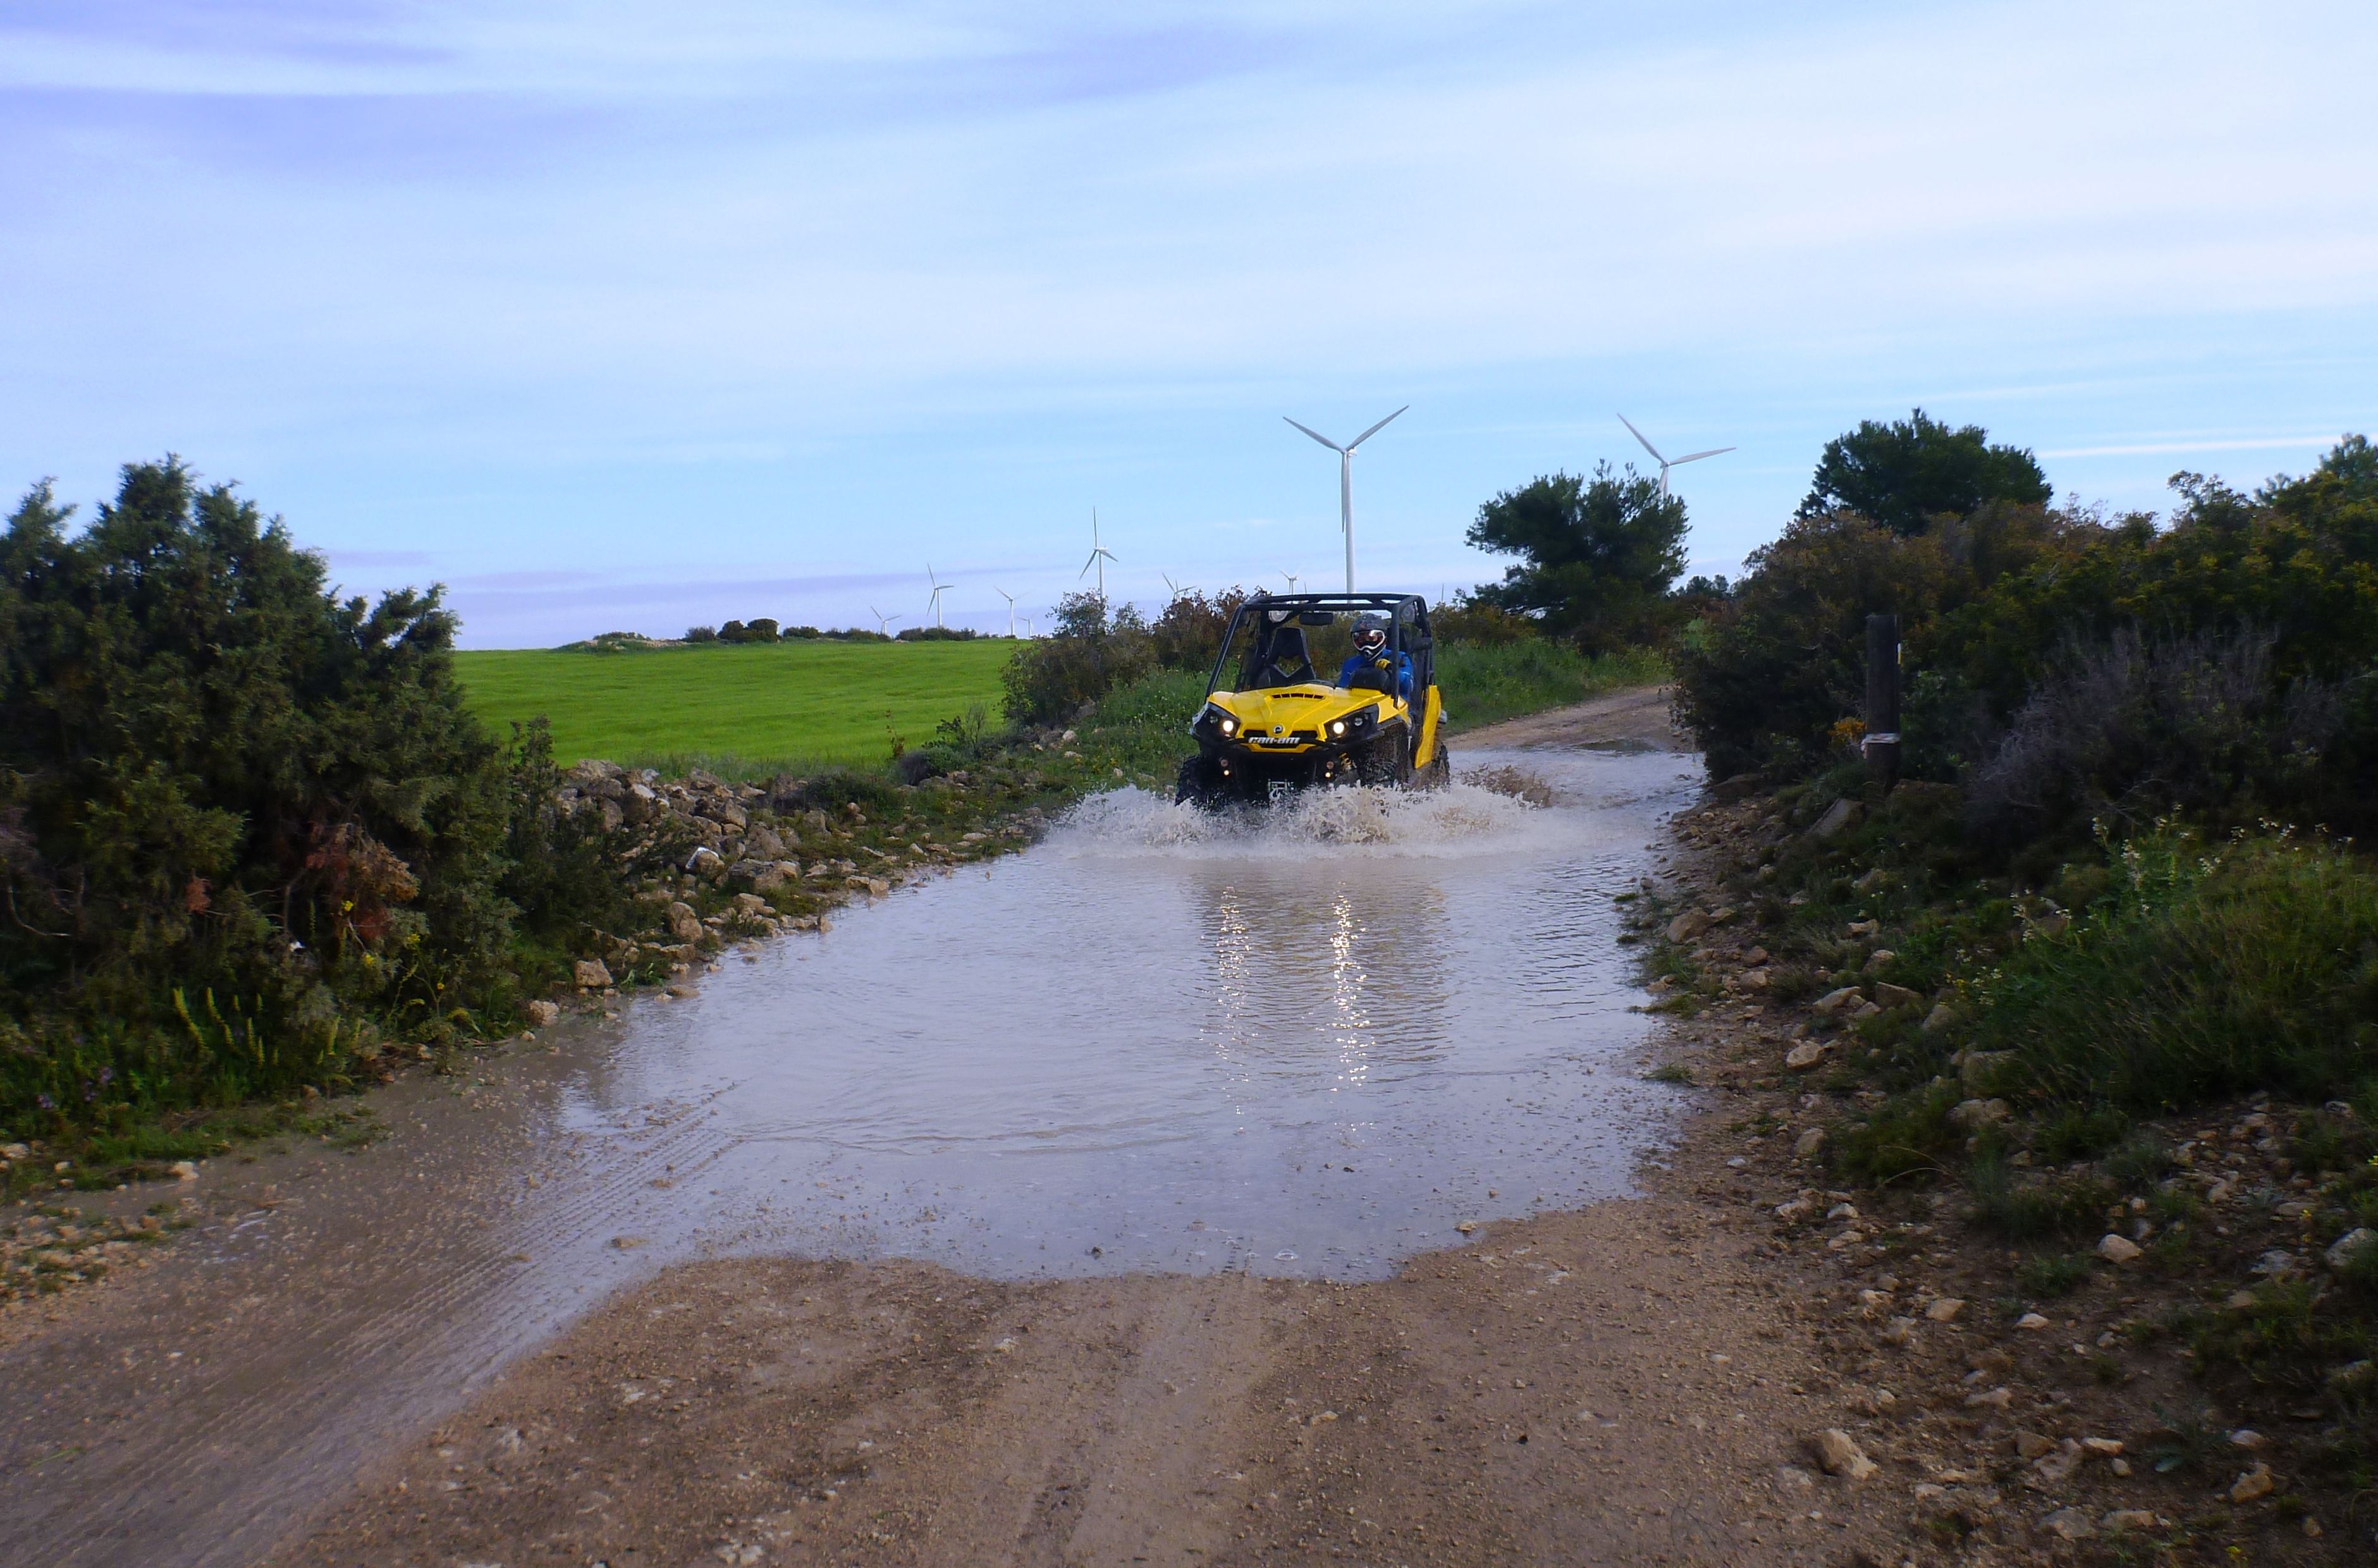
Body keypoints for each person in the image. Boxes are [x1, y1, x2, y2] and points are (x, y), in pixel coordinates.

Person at [1337, 616, 1412, 699]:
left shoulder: (1400, 657)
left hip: (1395, 707)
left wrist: (1392, 669)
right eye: (1362, 639)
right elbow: (1342, 691)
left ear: (1381, 638)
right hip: (1360, 707)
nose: (1367, 642)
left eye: (1371, 638)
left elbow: (1409, 687)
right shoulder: (1351, 663)